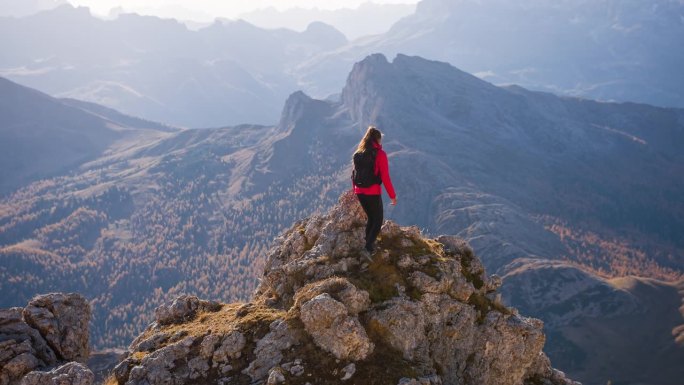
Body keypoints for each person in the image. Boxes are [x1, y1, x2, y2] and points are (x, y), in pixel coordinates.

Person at [352, 126, 397, 254]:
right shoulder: (380, 154)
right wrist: (392, 196)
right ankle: (368, 247)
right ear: (377, 139)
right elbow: (385, 177)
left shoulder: (358, 153)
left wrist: (355, 190)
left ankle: (368, 243)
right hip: (372, 191)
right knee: (377, 219)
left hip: (359, 191)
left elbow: (354, 173)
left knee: (371, 218)